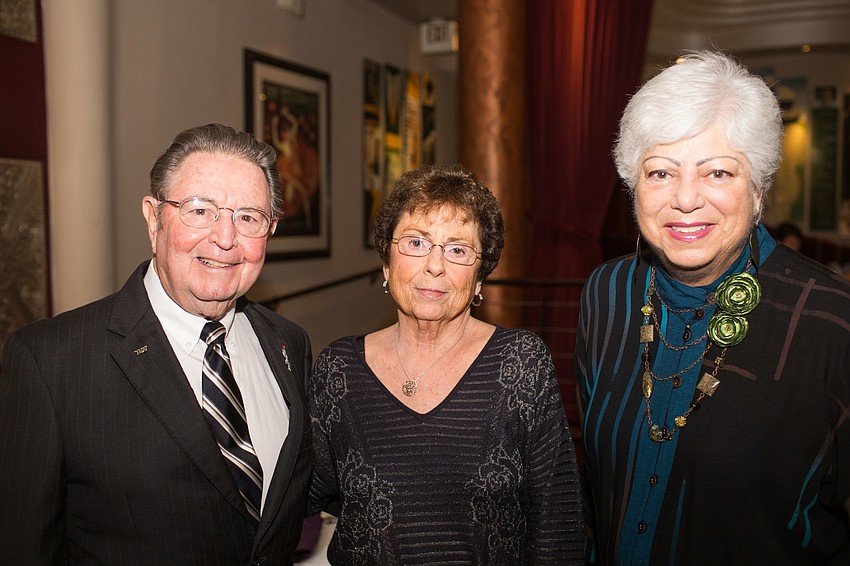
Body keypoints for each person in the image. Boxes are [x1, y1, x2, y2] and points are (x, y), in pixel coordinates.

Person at [576, 51, 850, 564]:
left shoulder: (834, 323)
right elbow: (593, 495)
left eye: (718, 173)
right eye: (660, 173)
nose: (684, 199)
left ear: (759, 187)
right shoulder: (604, 294)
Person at [0, 123, 313, 565]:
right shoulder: (50, 361)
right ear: (153, 217)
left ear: (271, 229)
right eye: (200, 210)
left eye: (248, 217)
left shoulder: (288, 344)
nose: (225, 239)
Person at [307, 164, 583, 564]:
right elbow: (304, 493)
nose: (434, 266)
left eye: (457, 249)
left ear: (479, 276)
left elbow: (558, 527)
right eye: (416, 243)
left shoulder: (521, 363)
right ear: (386, 263)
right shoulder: (339, 370)